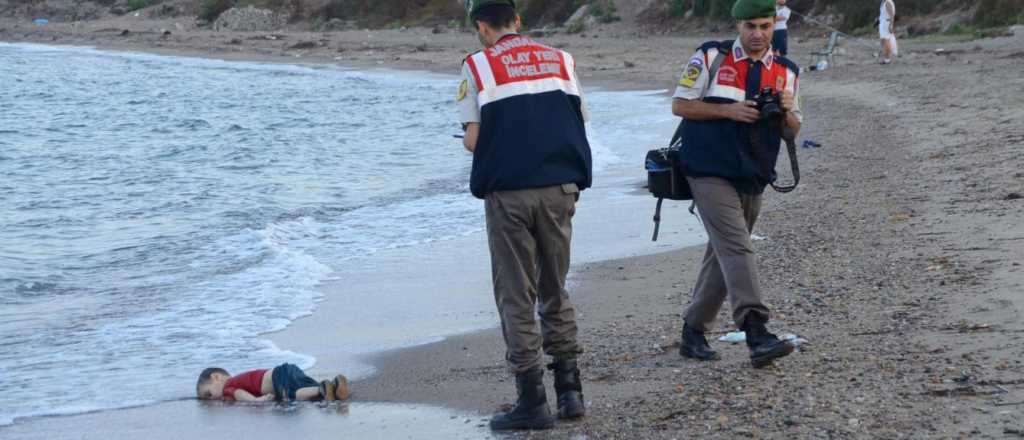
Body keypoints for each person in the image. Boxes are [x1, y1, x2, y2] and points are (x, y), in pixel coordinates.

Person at [457, 0, 591, 431]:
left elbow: (474, 140)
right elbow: (579, 120)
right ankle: (570, 391)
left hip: (510, 194)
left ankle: (531, 399)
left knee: (516, 293)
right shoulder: (561, 59)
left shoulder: (477, 66)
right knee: (555, 285)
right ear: (517, 20)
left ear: (481, 25)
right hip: (559, 188)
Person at [670, 0, 802, 369]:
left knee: (723, 254)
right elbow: (680, 105)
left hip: (754, 174)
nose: (757, 34)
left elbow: (793, 130)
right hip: (707, 169)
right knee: (737, 248)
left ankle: (693, 331)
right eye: (750, 26)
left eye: (764, 25)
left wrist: (787, 110)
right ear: (738, 26)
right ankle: (756, 330)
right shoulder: (711, 55)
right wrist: (728, 110)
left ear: (774, 24)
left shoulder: (787, 69)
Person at [195, 363, 350, 402]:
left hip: (277, 376)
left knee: (290, 395)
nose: (212, 398)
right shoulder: (239, 379)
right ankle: (333, 385)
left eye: (208, 394)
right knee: (304, 385)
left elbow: (238, 394)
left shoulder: (228, 386)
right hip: (286, 369)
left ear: (216, 377)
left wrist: (255, 400)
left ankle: (321, 389)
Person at [879, 0, 898, 64]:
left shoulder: (888, 2)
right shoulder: (883, 2)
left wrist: (891, 25)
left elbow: (892, 14)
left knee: (886, 41)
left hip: (886, 23)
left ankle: (887, 59)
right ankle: (886, 57)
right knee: (883, 41)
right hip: (883, 22)